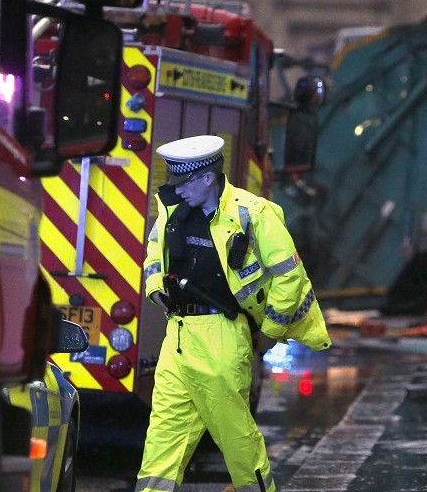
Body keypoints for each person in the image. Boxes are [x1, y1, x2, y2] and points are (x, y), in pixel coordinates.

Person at [136, 135, 331, 492]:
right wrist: (154, 289)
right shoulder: (173, 211)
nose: (177, 191)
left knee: (238, 441)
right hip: (178, 335)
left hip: (223, 336)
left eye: (184, 183)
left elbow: (289, 275)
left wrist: (269, 333)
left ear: (208, 177)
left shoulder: (252, 213)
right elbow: (153, 254)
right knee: (162, 442)